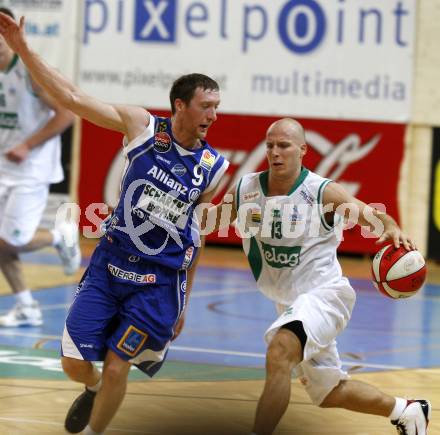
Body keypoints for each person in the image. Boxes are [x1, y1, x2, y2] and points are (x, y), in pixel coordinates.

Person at [0, 11, 229, 435]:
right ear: (180, 105)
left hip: (158, 281)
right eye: (206, 106)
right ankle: (92, 388)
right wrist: (24, 48)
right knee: (73, 363)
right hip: (110, 264)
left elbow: (195, 237)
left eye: (217, 107)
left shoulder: (213, 168)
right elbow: (70, 97)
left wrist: (185, 301)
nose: (213, 116)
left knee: (121, 367)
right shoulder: (141, 127)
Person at [206, 118, 431, 435]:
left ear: (302, 150)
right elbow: (211, 221)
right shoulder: (247, 189)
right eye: (270, 145)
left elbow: (370, 214)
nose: (275, 152)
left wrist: (391, 226)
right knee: (328, 392)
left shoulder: (322, 192)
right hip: (289, 305)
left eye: (283, 145)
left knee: (279, 351)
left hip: (326, 297)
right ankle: (407, 411)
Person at [0, 7, 78, 328]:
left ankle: (60, 235)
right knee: (1, 244)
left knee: (11, 242)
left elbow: (67, 114)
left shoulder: (29, 72)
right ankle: (26, 306)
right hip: (3, 165)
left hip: (30, 168)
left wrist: (27, 145)